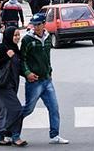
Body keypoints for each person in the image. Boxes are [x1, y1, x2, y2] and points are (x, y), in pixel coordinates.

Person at [21, 13, 69, 145]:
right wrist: (27, 73)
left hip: (47, 80)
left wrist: (49, 70)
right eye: (34, 25)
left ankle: (55, 135)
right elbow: (22, 59)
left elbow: (47, 57)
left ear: (44, 24)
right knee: (28, 109)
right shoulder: (27, 40)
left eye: (38, 24)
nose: (36, 27)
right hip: (34, 81)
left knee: (54, 108)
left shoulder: (48, 38)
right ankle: (11, 129)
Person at [0, 27, 27, 147]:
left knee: (4, 110)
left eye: (18, 35)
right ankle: (14, 136)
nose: (17, 37)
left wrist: (28, 75)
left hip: (13, 83)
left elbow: (18, 67)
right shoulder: (2, 48)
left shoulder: (15, 48)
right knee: (17, 110)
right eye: (15, 35)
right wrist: (7, 56)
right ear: (9, 36)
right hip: (4, 84)